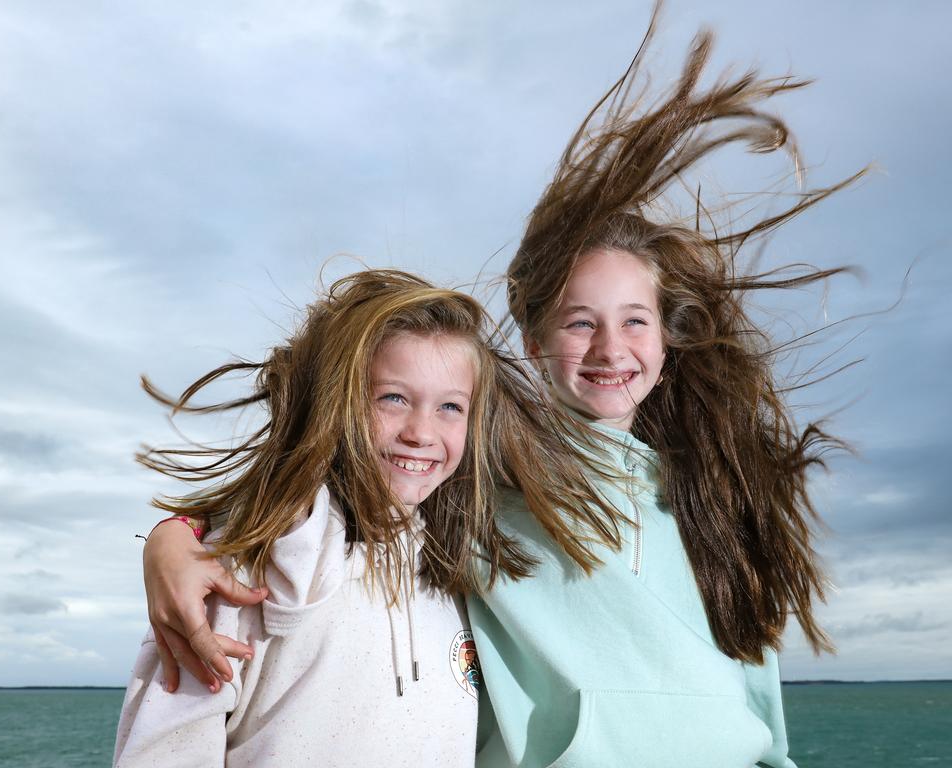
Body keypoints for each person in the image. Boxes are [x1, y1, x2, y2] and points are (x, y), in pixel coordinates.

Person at [138, 9, 865, 767]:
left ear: (668, 339)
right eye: (580, 322)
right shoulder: (490, 482)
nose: (611, 349)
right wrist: (177, 537)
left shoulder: (715, 494)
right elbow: (342, 475)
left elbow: (759, 693)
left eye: (636, 322)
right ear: (531, 340)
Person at [114, 269, 619, 767]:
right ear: (340, 403)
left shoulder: (460, 577)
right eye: (393, 398)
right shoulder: (241, 572)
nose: (421, 432)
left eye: (450, 407)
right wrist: (178, 532)